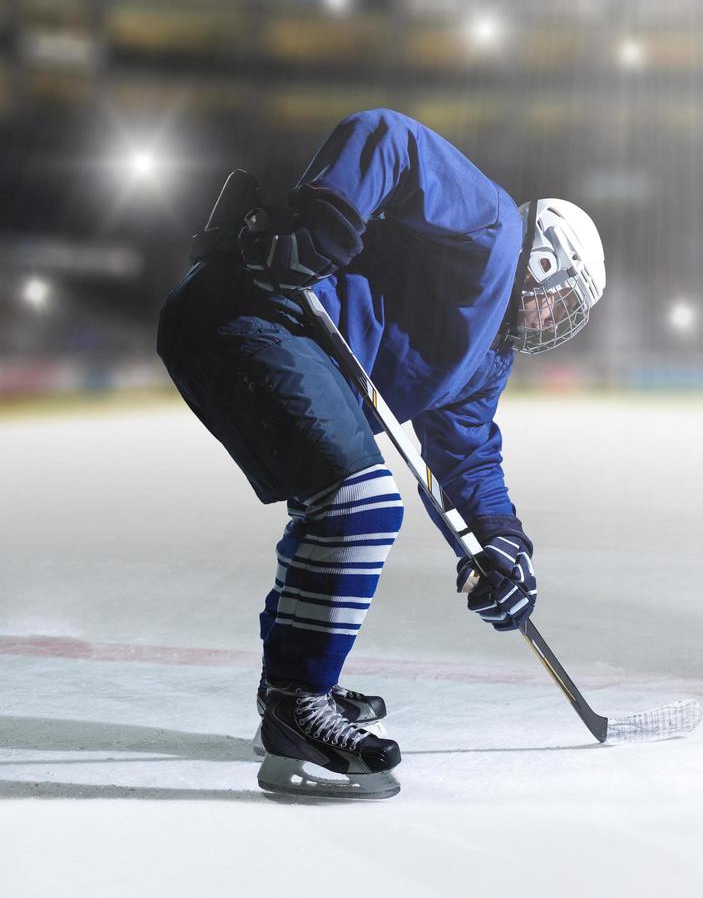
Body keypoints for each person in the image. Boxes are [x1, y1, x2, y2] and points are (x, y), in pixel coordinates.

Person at [157, 108, 606, 797]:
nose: (554, 322)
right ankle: (297, 707)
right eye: (560, 302)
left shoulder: (486, 360)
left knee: (333, 506)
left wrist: (503, 544)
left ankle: (293, 691)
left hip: (281, 342)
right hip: (252, 312)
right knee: (359, 501)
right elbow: (388, 137)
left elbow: (469, 460)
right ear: (543, 260)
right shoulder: (491, 227)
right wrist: (323, 226)